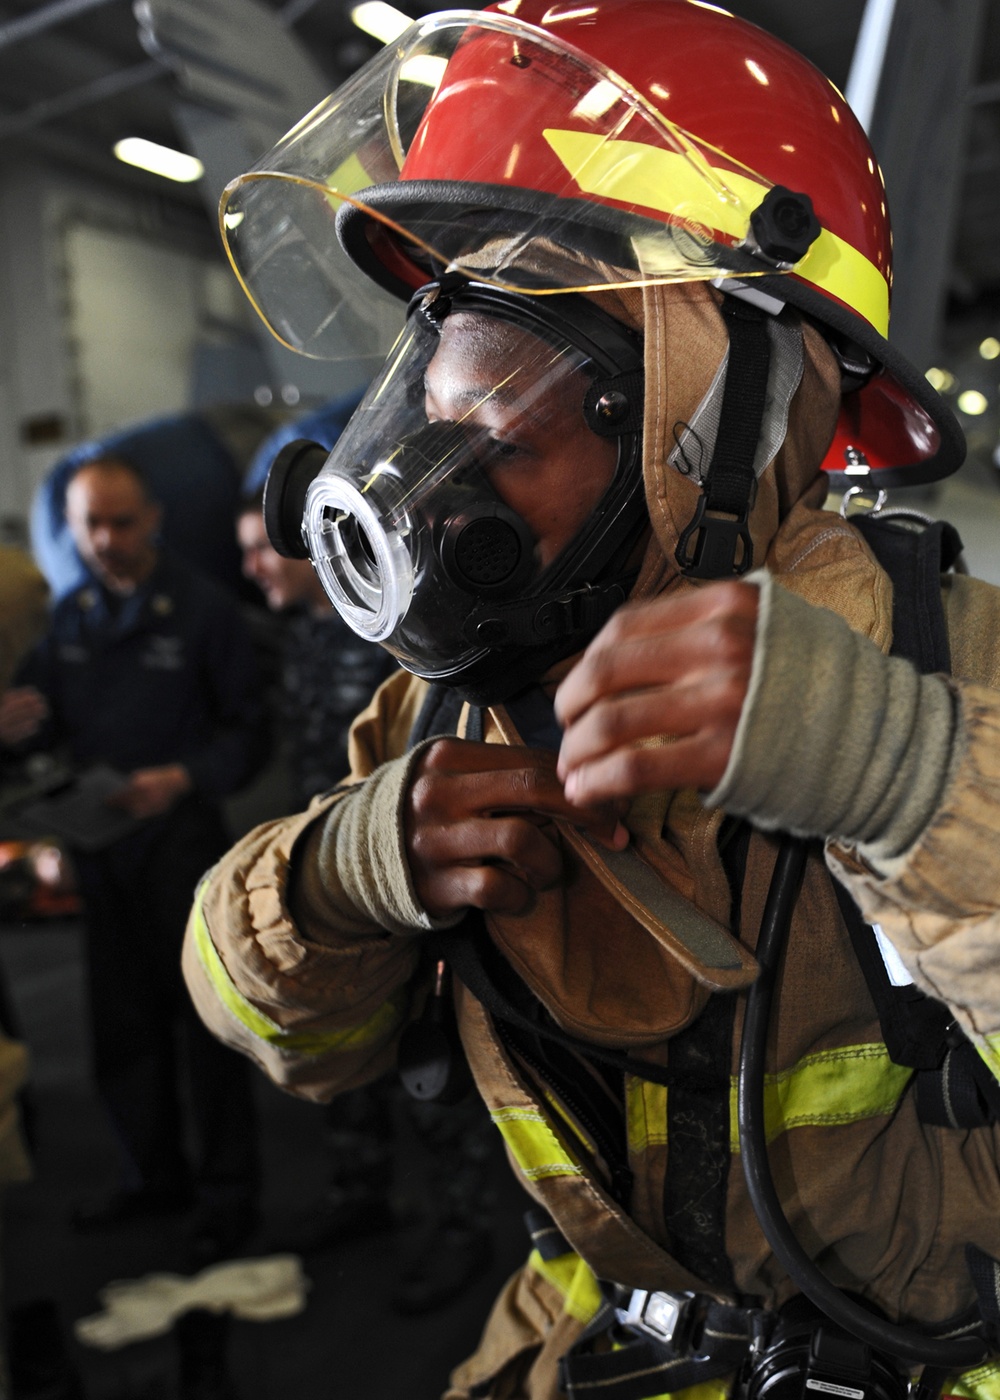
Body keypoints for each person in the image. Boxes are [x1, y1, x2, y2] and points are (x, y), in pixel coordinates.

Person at [183, 2, 1000, 1396]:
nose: (430, 483)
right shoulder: (451, 707)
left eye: (505, 417)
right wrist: (334, 878)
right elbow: (292, 1037)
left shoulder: (948, 664)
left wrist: (902, 775)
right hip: (574, 1355)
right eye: (433, 411)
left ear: (722, 413)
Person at [236, 490, 500, 1313]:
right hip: (336, 880)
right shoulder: (303, 640)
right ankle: (361, 1196)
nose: (252, 565)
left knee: (430, 1075)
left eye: (266, 547)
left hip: (403, 883)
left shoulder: (396, 642)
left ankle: (462, 1231)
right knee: (347, 1072)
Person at [0, 457, 269, 1262]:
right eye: (91, 526)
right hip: (101, 855)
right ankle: (150, 1178)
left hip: (183, 851)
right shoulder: (73, 619)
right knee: (122, 1031)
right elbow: (47, 726)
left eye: (121, 522)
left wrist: (183, 778)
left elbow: (250, 735)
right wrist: (18, 727)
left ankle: (229, 1197)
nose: (106, 541)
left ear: (152, 518)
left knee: (205, 1034)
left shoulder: (204, 614)